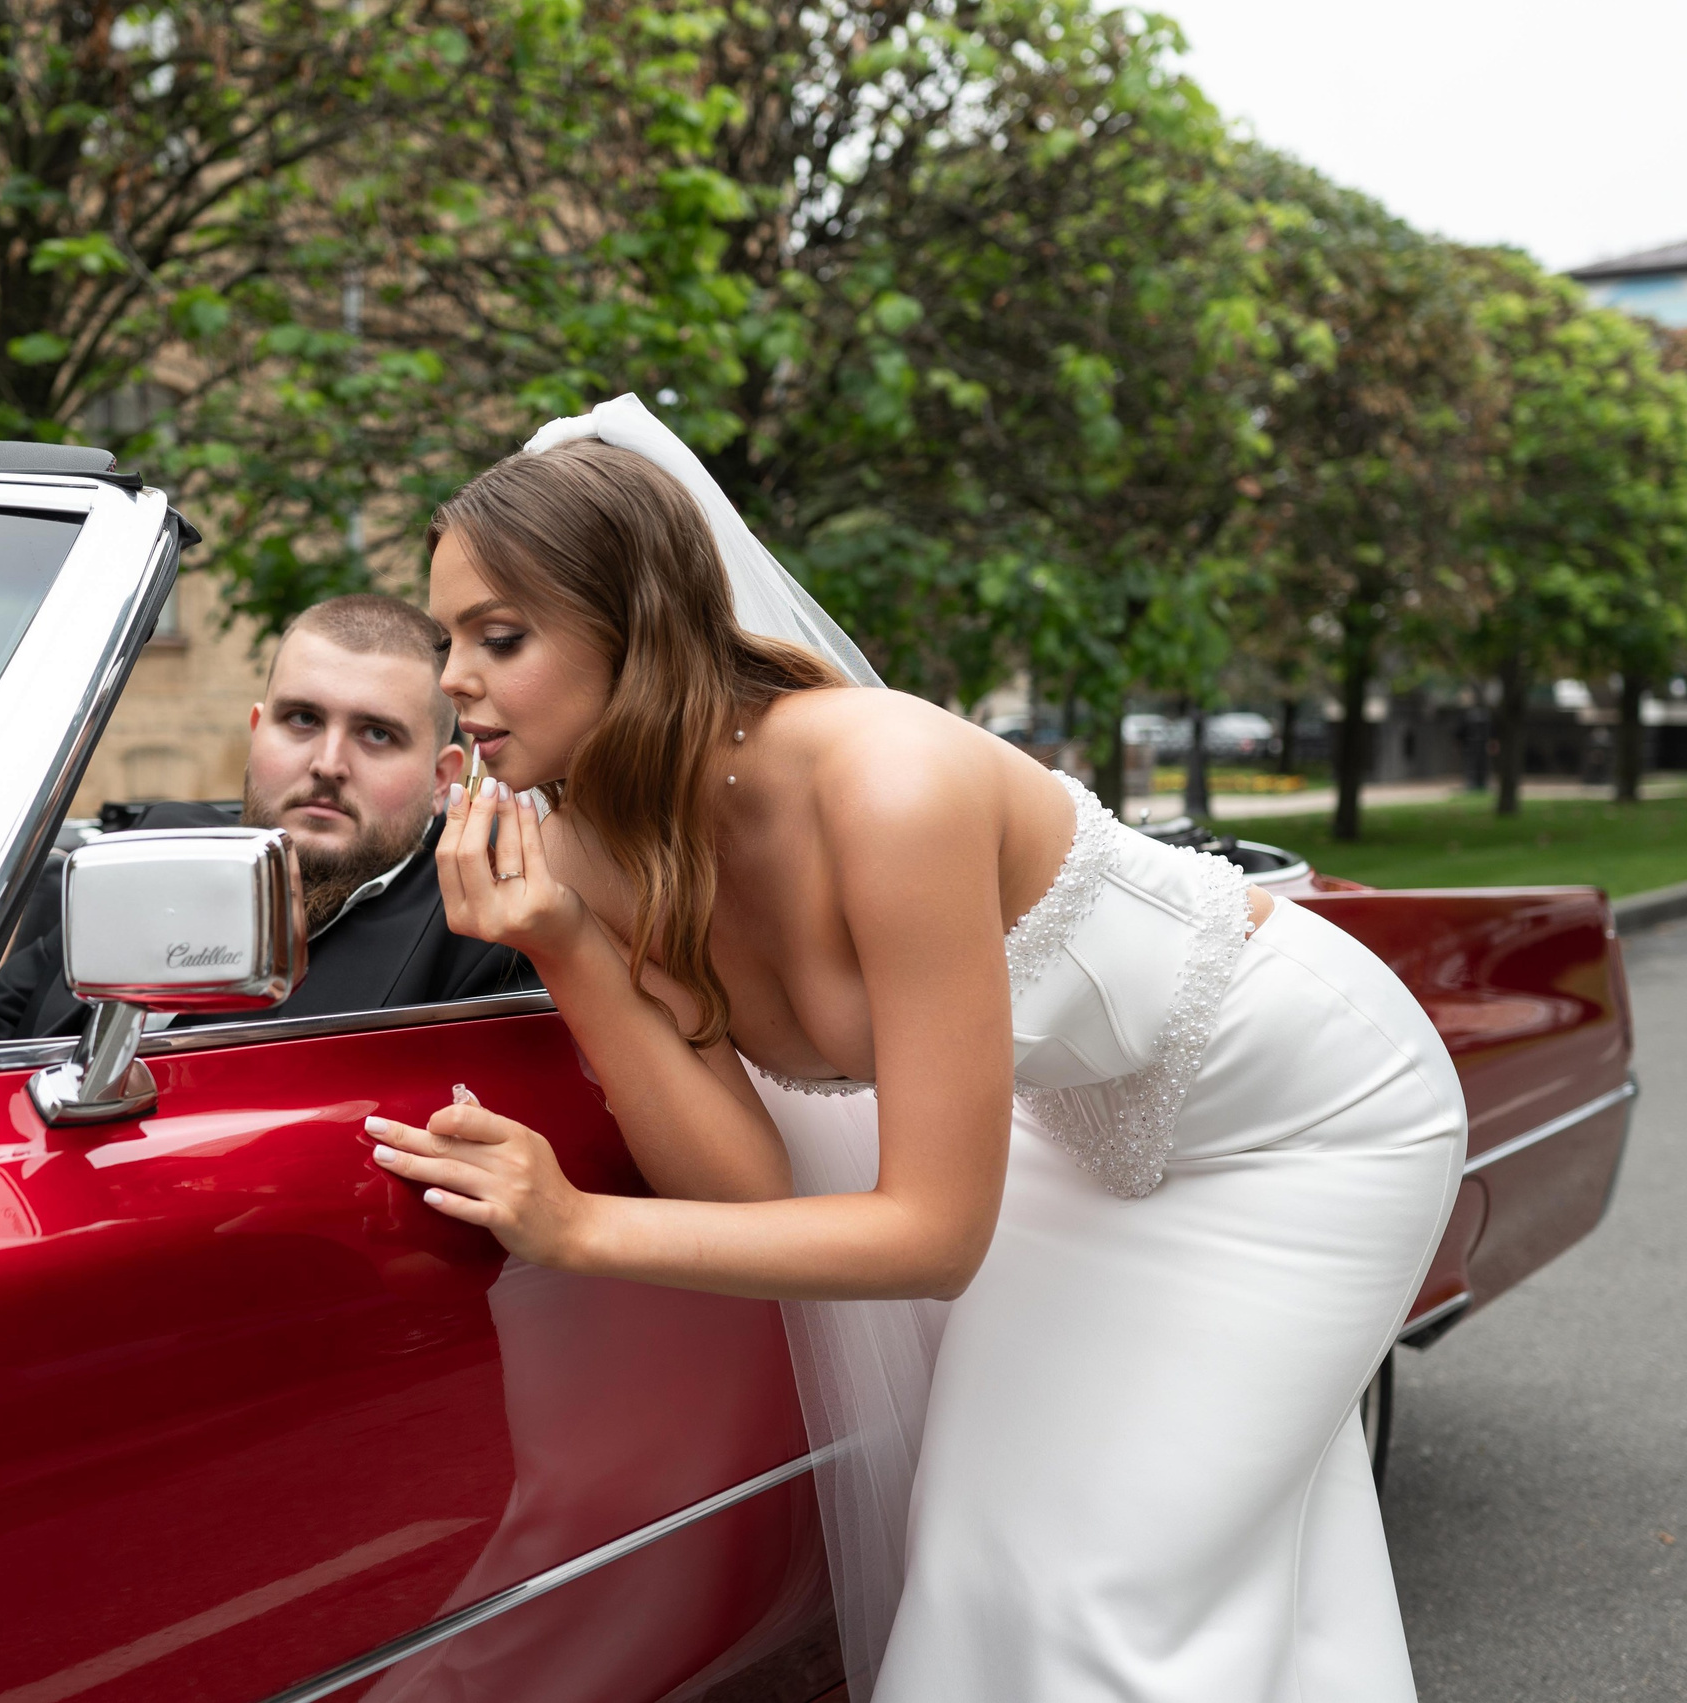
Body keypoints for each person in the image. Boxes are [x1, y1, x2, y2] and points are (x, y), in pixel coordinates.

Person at [363, 395, 1464, 1701]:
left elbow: (933, 1238)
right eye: (447, 638)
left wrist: (579, 1222)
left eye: (501, 635)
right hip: (1074, 1133)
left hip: (1313, 1118)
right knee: (982, 1555)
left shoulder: (887, 781)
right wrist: (568, 943)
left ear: (636, 626)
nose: (450, 679)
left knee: (1102, 1587)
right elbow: (751, 1194)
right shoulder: (595, 845)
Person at [0, 592, 534, 1041]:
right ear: (256, 732)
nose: (328, 764)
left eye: (377, 734)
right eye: (302, 719)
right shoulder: (153, 849)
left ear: (442, 779)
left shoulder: (482, 931)